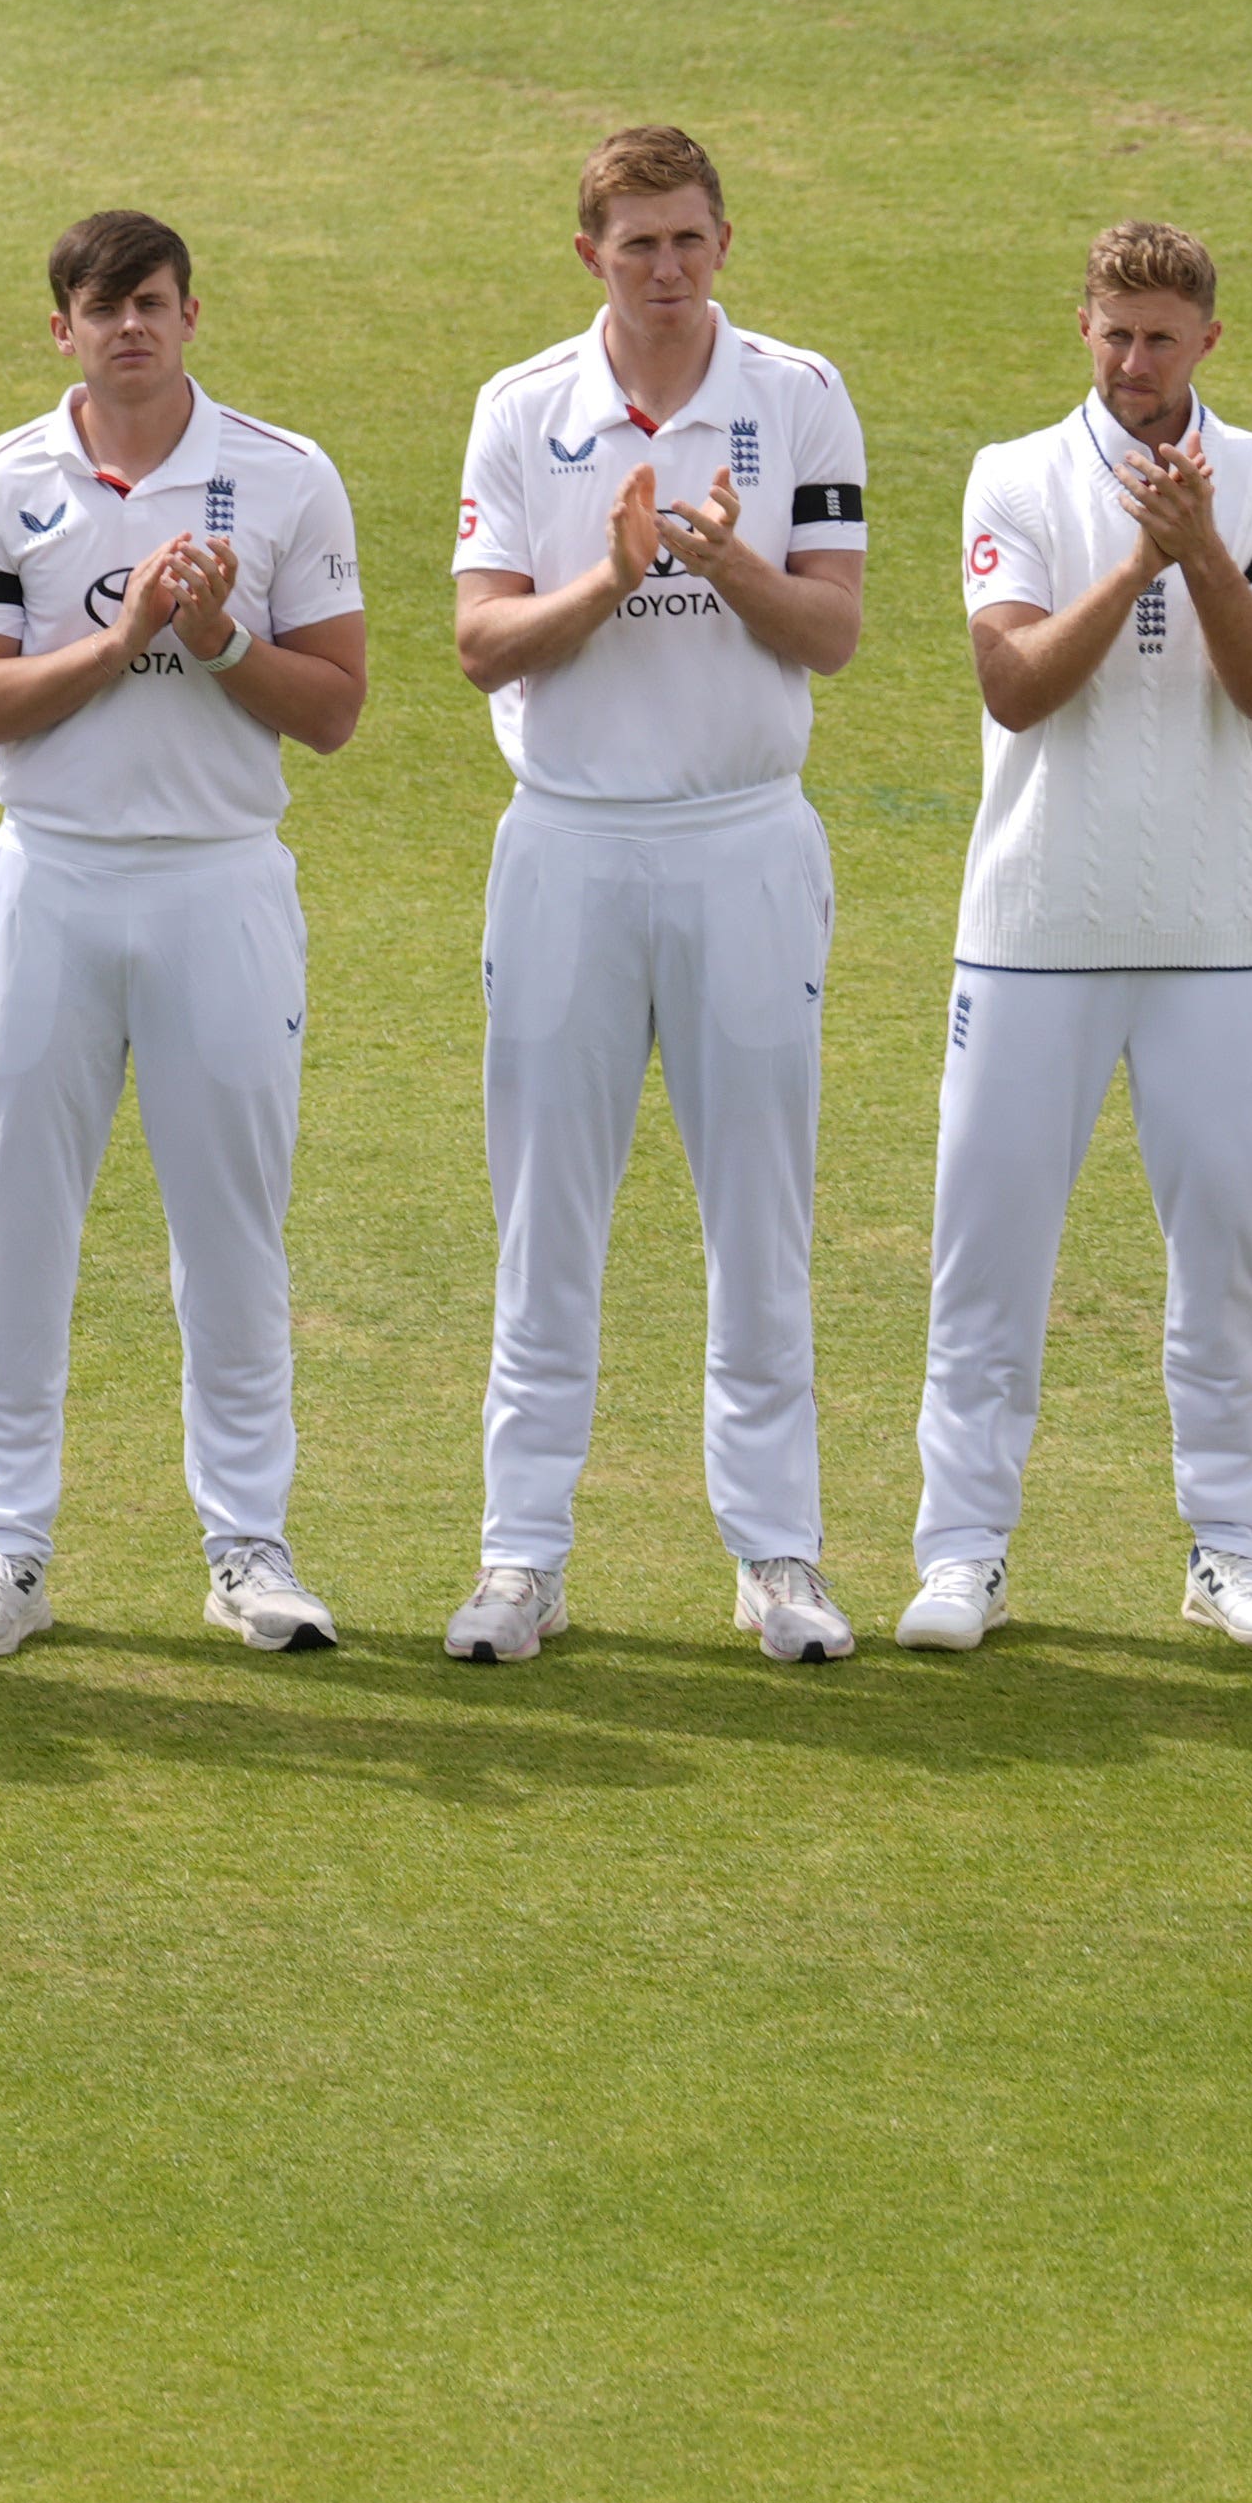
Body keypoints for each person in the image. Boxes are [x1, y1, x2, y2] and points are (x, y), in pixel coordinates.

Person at [442, 128, 868, 1668]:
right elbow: (486, 646)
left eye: (690, 241)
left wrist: (717, 564)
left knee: (760, 1209)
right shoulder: (523, 407)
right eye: (638, 247)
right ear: (589, 257)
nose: (669, 271)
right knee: (547, 1211)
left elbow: (829, 632)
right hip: (569, 841)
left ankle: (777, 1558)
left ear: (724, 242)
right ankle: (519, 1561)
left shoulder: (799, 395)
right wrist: (616, 580)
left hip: (744, 840)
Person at [0, 210, 372, 1660]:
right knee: (17, 1227)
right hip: (49, 881)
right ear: (61, 327)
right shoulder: (2, 486)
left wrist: (228, 638)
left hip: (220, 884)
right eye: (102, 306)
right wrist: (125, 647)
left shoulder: (285, 477)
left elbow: (337, 709)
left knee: (231, 1232)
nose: (130, 327)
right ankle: (0, 1551)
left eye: (155, 303)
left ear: (192, 317)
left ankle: (249, 1544)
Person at [905, 221, 1252, 1656]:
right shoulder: (1013, 478)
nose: (1136, 361)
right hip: (1033, 927)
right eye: (1114, 334)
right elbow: (1016, 683)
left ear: (1208, 339)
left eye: (1162, 337)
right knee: (988, 1253)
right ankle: (963, 1553)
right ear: (1082, 327)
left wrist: (1203, 547)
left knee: (1230, 1256)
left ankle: (1234, 1550)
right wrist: (1142, 558)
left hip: (1221, 934)